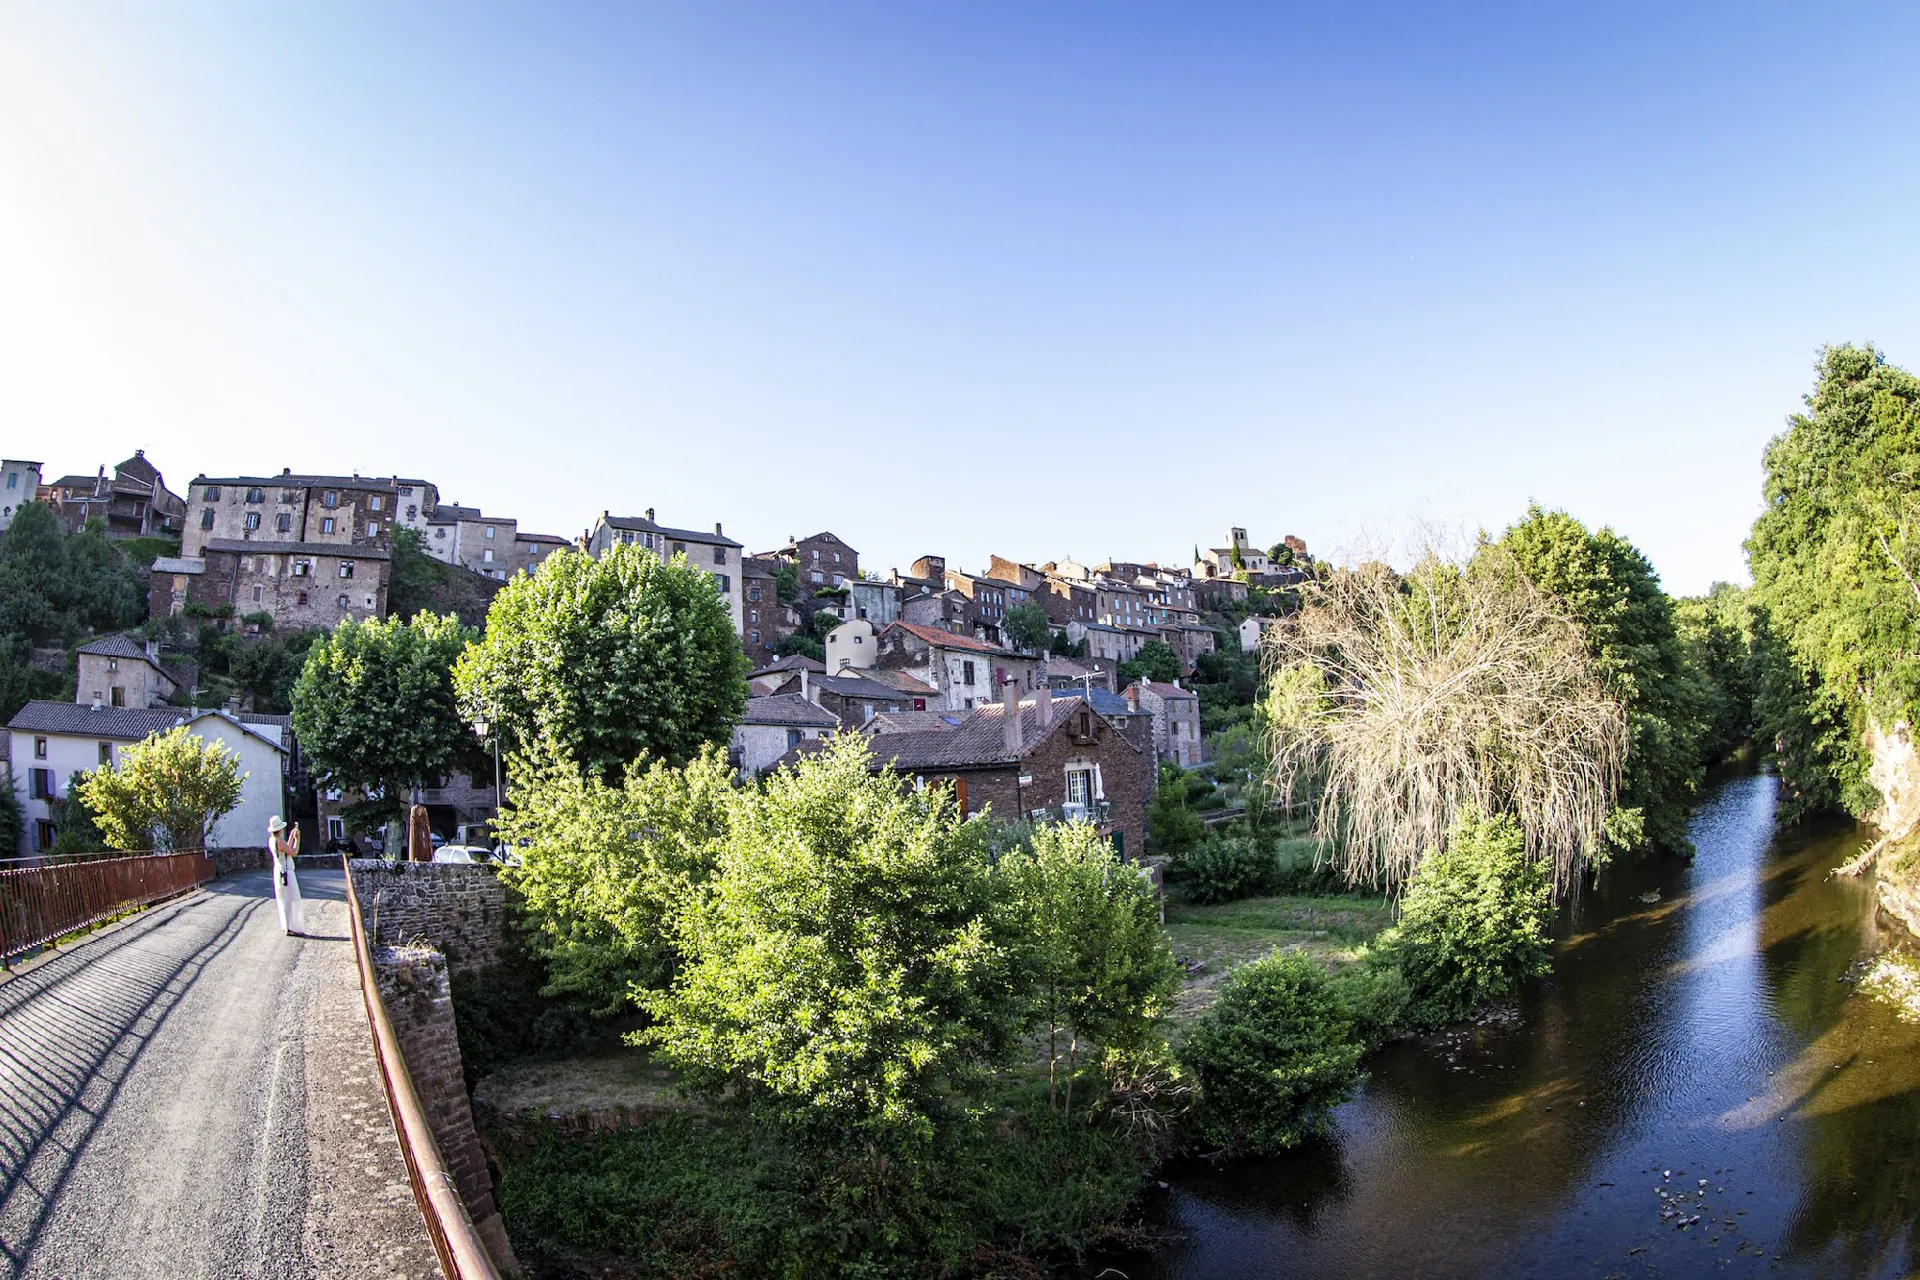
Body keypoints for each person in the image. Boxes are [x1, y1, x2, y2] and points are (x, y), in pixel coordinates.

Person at [268, 816, 307, 937]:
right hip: (286, 873)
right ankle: (291, 927)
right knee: (291, 899)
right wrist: (297, 839)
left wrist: (291, 837)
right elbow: (293, 852)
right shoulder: (279, 841)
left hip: (279, 871)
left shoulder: (273, 840)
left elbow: (286, 849)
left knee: (284, 899)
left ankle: (288, 926)